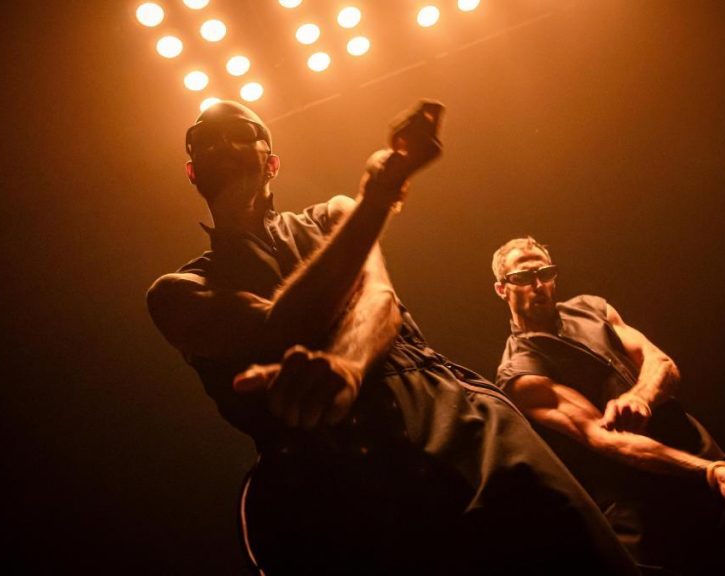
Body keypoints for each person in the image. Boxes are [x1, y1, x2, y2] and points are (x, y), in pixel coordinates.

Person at [146, 101, 639, 575]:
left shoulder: (334, 215)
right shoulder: (176, 290)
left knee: (575, 552)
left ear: (272, 163)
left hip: (444, 410)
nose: (222, 144)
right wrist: (377, 199)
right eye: (204, 140)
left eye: (241, 133)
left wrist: (348, 366)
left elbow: (380, 301)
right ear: (191, 172)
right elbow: (281, 325)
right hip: (323, 480)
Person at [492, 236, 725, 575]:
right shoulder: (520, 372)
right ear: (502, 289)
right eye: (522, 277)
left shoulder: (592, 308)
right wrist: (708, 471)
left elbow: (662, 363)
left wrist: (640, 397)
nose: (537, 284)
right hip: (648, 513)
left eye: (545, 272)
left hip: (707, 461)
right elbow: (605, 439)